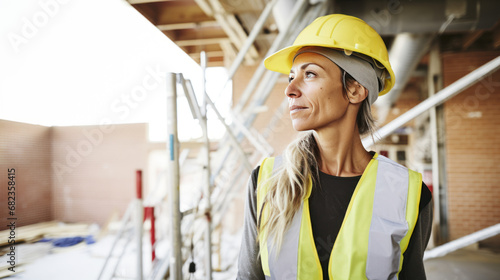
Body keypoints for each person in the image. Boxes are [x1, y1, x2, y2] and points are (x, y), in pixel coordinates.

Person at [236, 14, 433, 280]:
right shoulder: (265, 182)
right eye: (291, 77)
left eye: (310, 74)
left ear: (355, 90)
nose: (290, 90)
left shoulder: (409, 194)